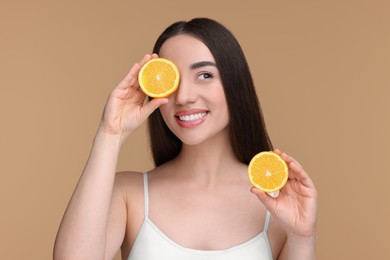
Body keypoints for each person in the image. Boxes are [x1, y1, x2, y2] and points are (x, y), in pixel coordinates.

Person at [54, 18, 318, 260]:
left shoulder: (277, 204)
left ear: (234, 83)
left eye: (204, 75)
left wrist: (302, 238)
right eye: (172, 79)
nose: (183, 96)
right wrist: (110, 134)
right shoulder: (129, 195)